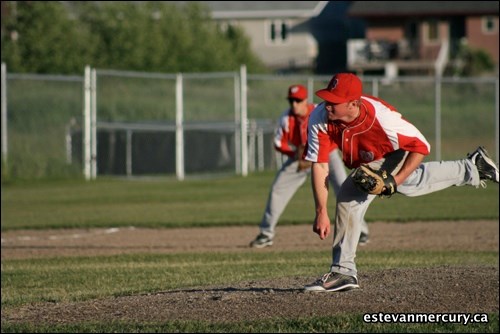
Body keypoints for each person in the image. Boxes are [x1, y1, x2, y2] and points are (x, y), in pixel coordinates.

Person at [302, 72, 499, 292]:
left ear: (353, 104)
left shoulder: (384, 121)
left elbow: (421, 146)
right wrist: (320, 211)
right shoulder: (320, 117)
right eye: (328, 98)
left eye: (334, 102)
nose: (327, 105)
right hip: (371, 156)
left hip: (394, 152)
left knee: (350, 194)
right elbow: (320, 165)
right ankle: (473, 167)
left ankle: (343, 271)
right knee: (414, 182)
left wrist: (394, 180)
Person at [249, 84, 370, 248]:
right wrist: (294, 154)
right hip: (300, 158)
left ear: (305, 100)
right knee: (278, 189)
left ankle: (360, 230)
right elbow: (278, 143)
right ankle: (266, 233)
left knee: (345, 187)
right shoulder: (286, 118)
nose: (294, 104)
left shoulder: (319, 111)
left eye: (298, 100)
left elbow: (339, 131)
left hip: (327, 154)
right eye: (291, 100)